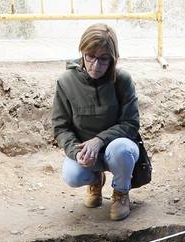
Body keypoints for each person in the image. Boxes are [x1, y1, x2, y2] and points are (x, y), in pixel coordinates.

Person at [52, 24, 141, 222]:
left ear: (113, 59)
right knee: (72, 174)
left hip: (116, 148)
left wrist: (100, 140)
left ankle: (121, 193)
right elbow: (61, 127)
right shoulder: (66, 81)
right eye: (90, 57)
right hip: (86, 151)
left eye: (103, 59)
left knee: (122, 149)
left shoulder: (122, 80)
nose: (95, 65)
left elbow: (131, 124)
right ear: (82, 53)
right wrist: (77, 153)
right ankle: (94, 181)